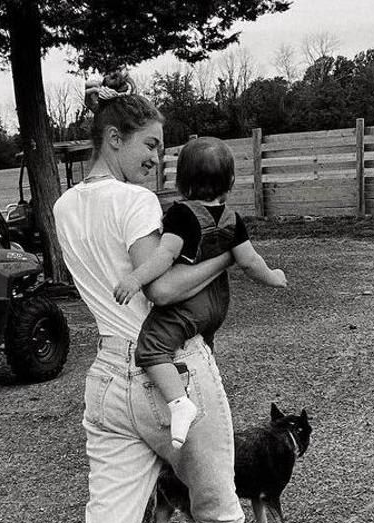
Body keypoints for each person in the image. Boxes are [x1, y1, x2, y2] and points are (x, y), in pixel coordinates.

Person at [52, 74, 265, 523]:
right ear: (112, 139)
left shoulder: (65, 208)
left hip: (108, 382)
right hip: (172, 368)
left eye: (163, 150)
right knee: (220, 510)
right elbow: (166, 292)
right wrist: (230, 256)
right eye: (148, 145)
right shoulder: (137, 204)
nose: (158, 160)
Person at [113, 136, 287, 450]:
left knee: (151, 349)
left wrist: (135, 279)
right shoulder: (234, 220)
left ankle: (180, 403)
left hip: (187, 306)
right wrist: (273, 277)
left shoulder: (182, 216)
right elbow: (249, 261)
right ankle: (203, 387)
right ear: (231, 181)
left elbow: (164, 257)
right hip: (217, 305)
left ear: (180, 182)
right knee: (201, 348)